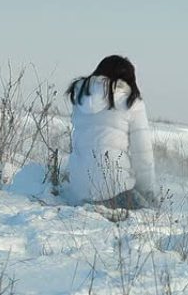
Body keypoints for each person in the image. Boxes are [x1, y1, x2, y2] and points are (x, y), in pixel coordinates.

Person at [63, 55, 157, 211]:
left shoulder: (80, 98)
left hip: (77, 191)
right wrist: (149, 193)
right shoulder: (131, 102)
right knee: (151, 213)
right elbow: (142, 154)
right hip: (114, 190)